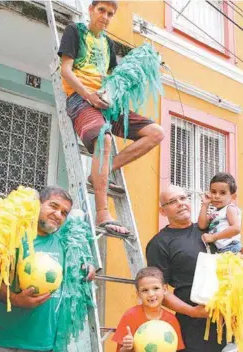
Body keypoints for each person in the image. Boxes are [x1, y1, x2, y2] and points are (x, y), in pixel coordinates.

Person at [58, 0, 164, 237]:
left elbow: (112, 78)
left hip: (107, 104)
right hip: (80, 99)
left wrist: (139, 70)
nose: (105, 17)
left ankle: (105, 169)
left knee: (156, 132)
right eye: (101, 10)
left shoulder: (108, 43)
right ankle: (102, 211)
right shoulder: (75, 31)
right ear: (91, 10)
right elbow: (65, 70)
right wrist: (89, 95)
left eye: (110, 14)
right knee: (104, 141)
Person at [0, 186, 97, 352]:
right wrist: (15, 299)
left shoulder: (63, 243)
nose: (58, 215)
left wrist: (85, 263)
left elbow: (76, 255)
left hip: (42, 344)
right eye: (53, 206)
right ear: (37, 204)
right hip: (2, 340)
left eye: (64, 212)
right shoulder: (13, 235)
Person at [146, 185, 225, 352]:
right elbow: (159, 290)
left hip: (229, 322)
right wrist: (193, 312)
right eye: (172, 201)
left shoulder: (210, 230)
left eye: (183, 198)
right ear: (163, 211)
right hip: (194, 328)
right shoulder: (159, 243)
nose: (180, 203)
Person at [197, 173, 243, 352]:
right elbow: (202, 225)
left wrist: (214, 236)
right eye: (213, 192)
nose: (217, 196)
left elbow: (236, 228)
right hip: (222, 255)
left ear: (232, 196)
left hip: (231, 253)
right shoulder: (215, 212)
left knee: (231, 299)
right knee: (227, 300)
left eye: (222, 192)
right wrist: (204, 204)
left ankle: (242, 338)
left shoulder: (230, 209)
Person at [112, 266, 185, 352]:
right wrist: (127, 348)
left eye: (156, 288)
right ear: (138, 294)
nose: (151, 294)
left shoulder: (171, 320)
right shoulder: (130, 316)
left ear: (164, 289)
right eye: (145, 290)